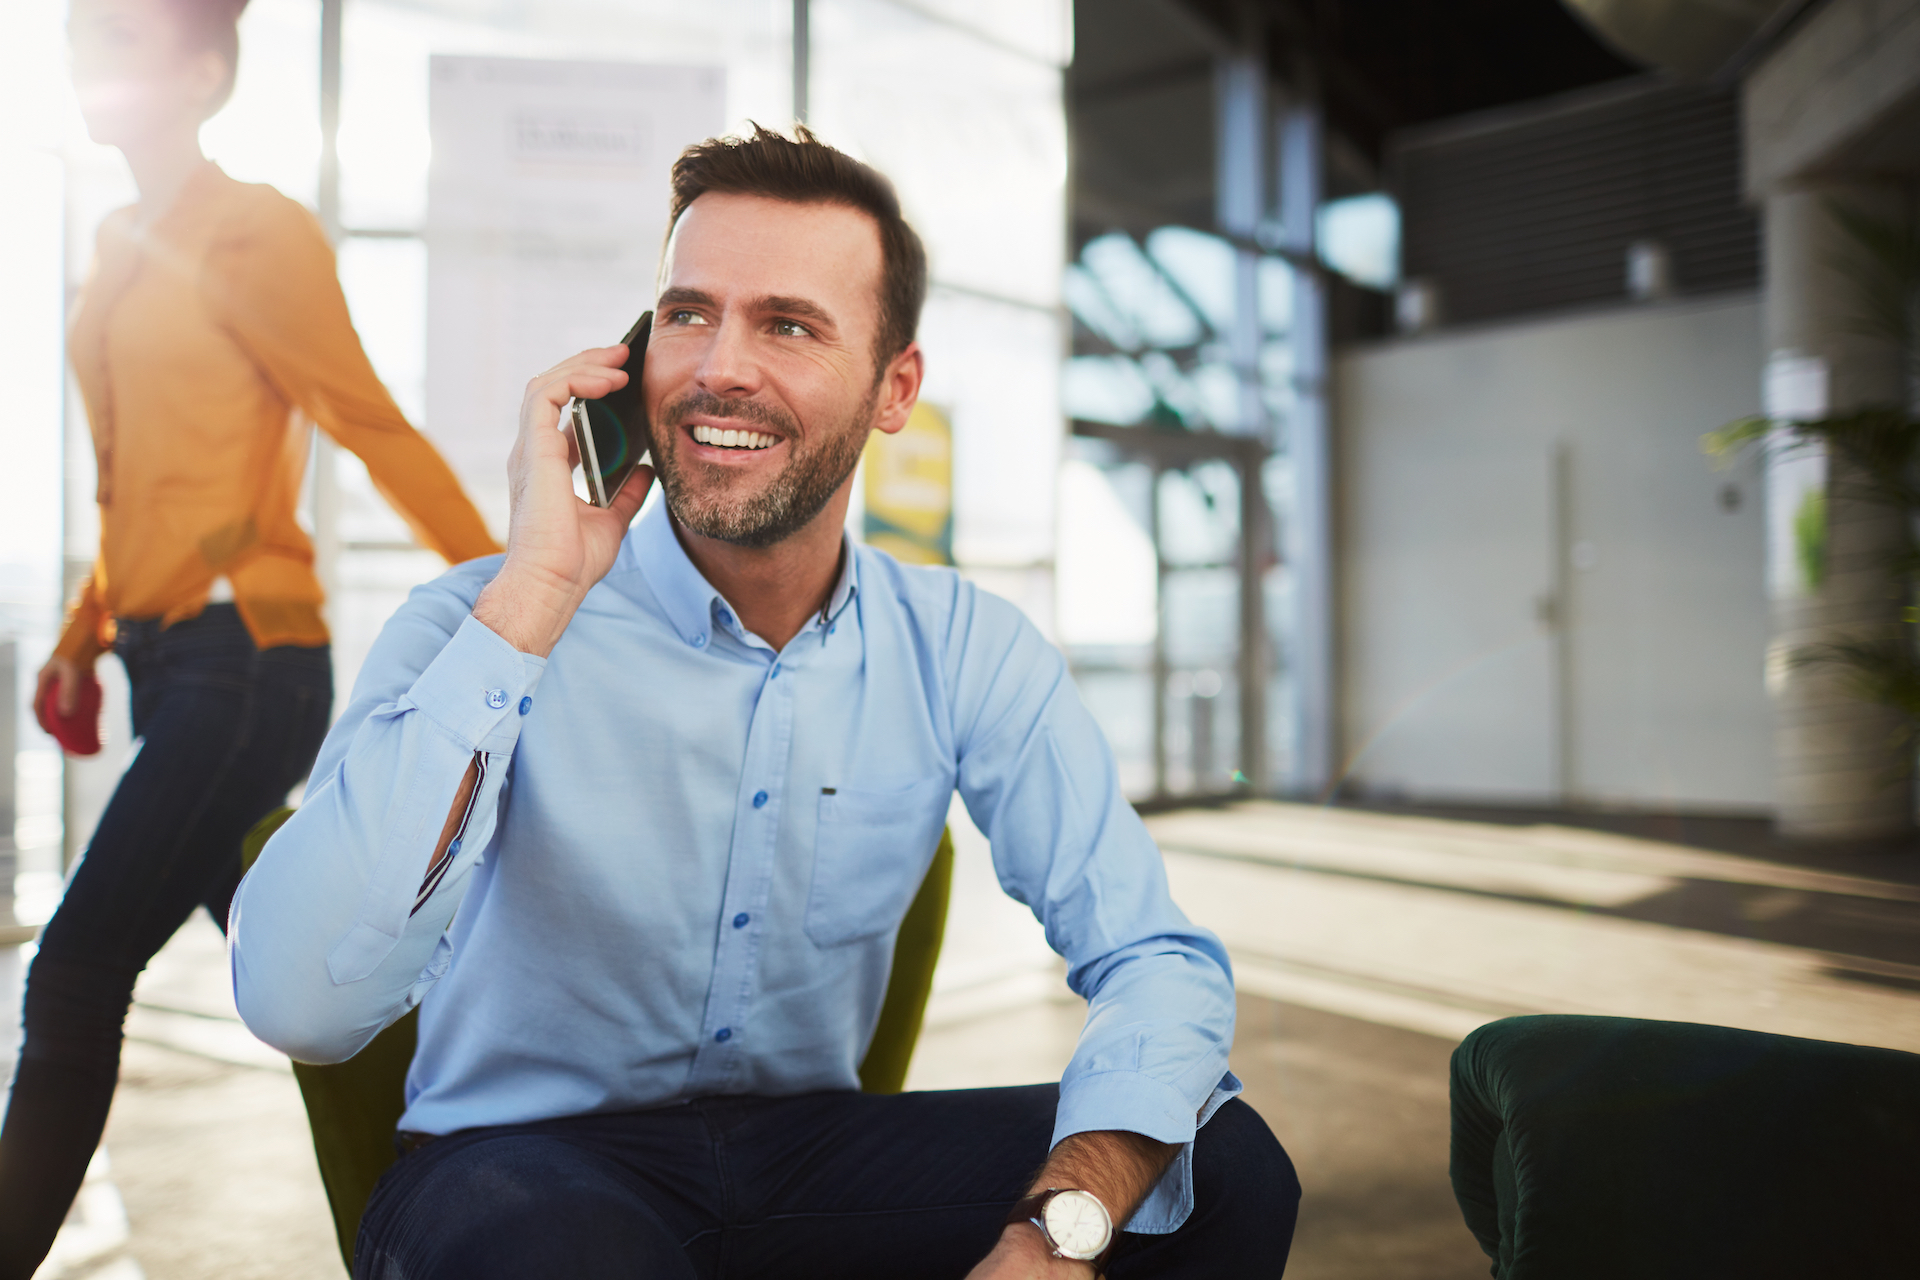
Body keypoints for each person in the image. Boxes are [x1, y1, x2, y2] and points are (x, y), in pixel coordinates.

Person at [231, 125, 1299, 1279]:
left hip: (805, 1163)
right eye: (689, 313)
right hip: (515, 1167)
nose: (717, 365)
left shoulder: (961, 646)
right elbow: (298, 999)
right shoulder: (474, 625)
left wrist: (1059, 1231)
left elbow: (1156, 958)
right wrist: (539, 588)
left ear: (895, 389)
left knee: (1222, 1170)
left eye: (786, 324)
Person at [0, 0, 501, 1273]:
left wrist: (523, 600)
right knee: (316, 978)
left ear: (207, 70)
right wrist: (80, 632)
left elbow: (370, 422)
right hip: (167, 660)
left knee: (73, 971)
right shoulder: (118, 241)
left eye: (119, 37)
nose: (86, 63)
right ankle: (496, 1195)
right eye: (77, 40)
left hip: (250, 659)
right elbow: (134, 485)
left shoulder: (256, 231)